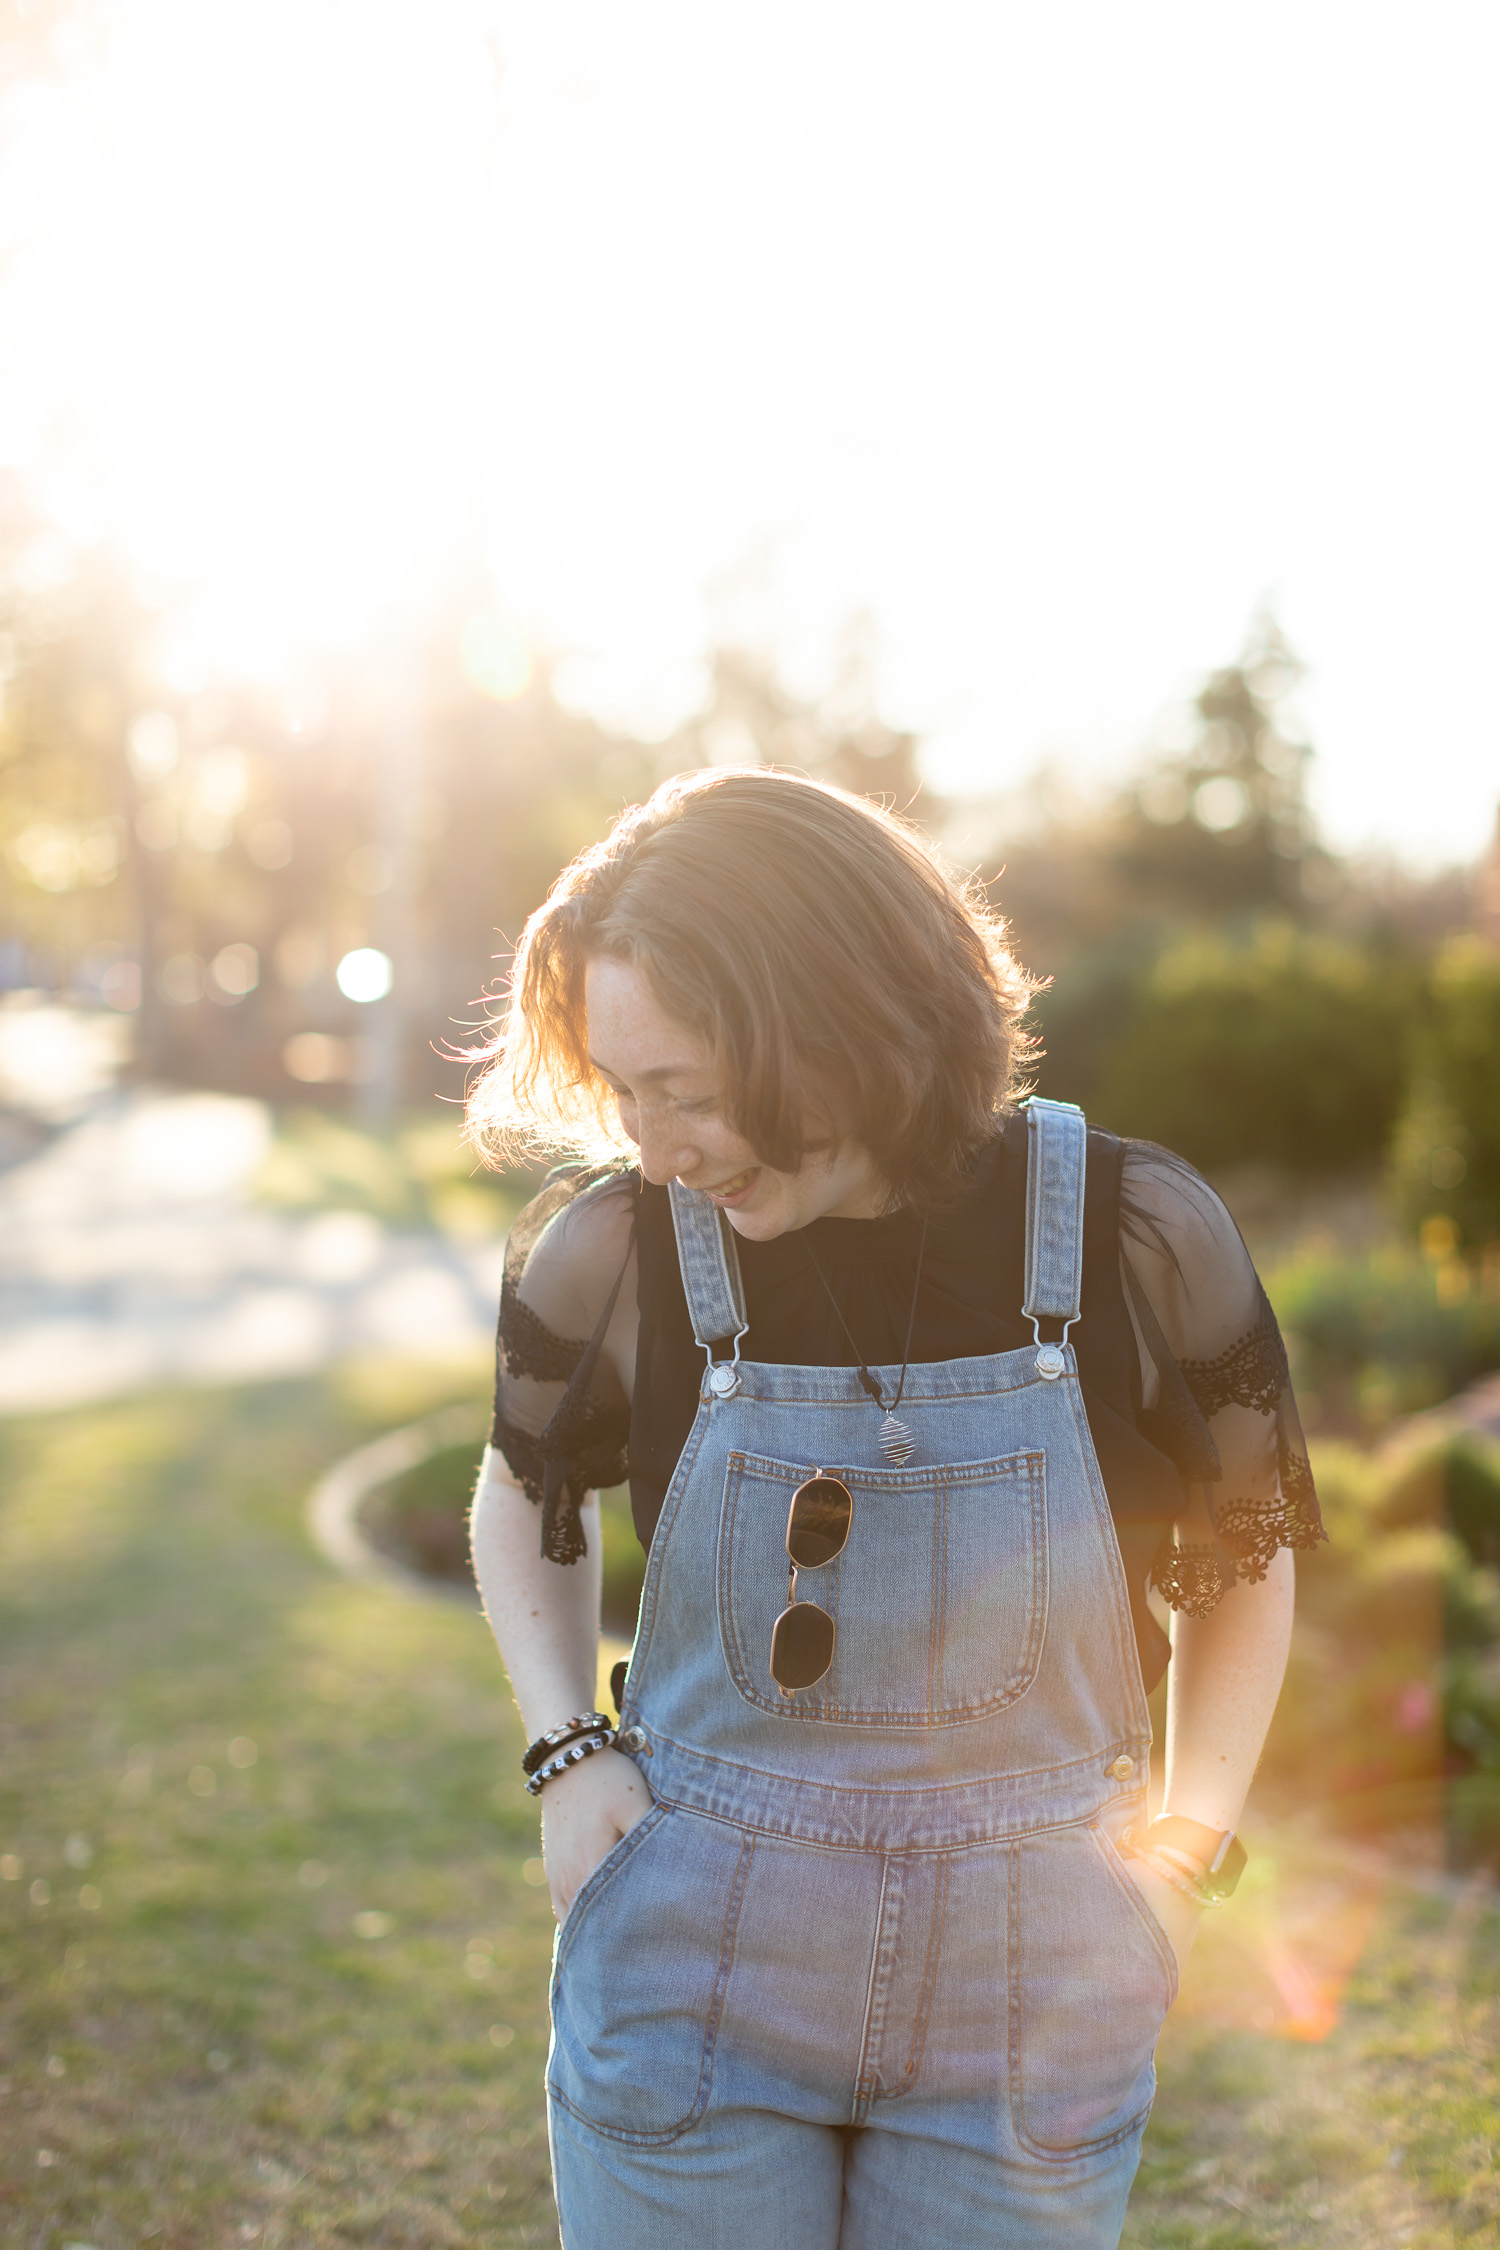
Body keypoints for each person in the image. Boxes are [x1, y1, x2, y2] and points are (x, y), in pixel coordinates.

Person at [467, 768, 1322, 2250]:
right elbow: (521, 1488)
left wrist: (1188, 1851)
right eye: (624, 1091)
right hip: (692, 1977)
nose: (654, 1145)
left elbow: (1249, 1559)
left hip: (1033, 1997)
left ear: (845, 1019)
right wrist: (562, 1747)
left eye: (686, 1085)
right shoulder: (615, 1249)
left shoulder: (1134, 1233)